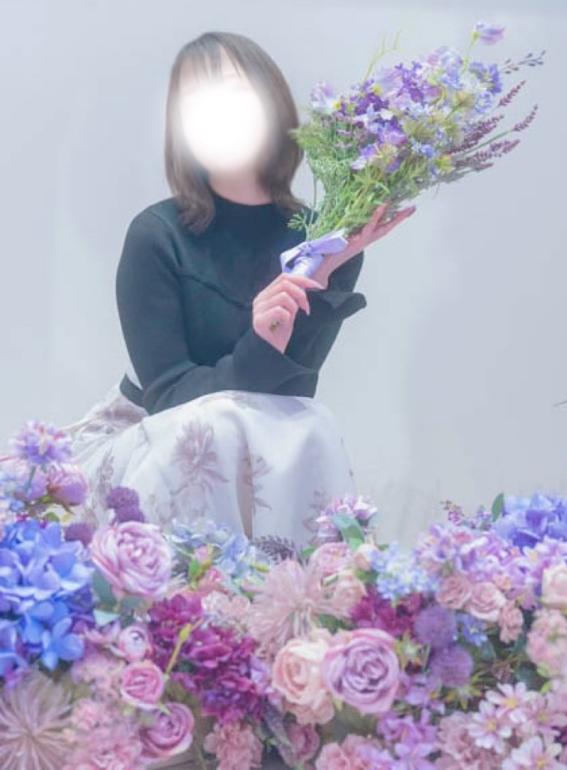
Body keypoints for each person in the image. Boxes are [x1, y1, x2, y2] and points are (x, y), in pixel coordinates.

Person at [61, 31, 415, 547]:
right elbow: (170, 397)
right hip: (150, 444)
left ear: (270, 103)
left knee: (311, 423)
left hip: (252, 450)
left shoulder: (324, 241)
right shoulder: (156, 236)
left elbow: (290, 398)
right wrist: (262, 339)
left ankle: (305, 584)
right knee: (221, 423)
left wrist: (320, 276)